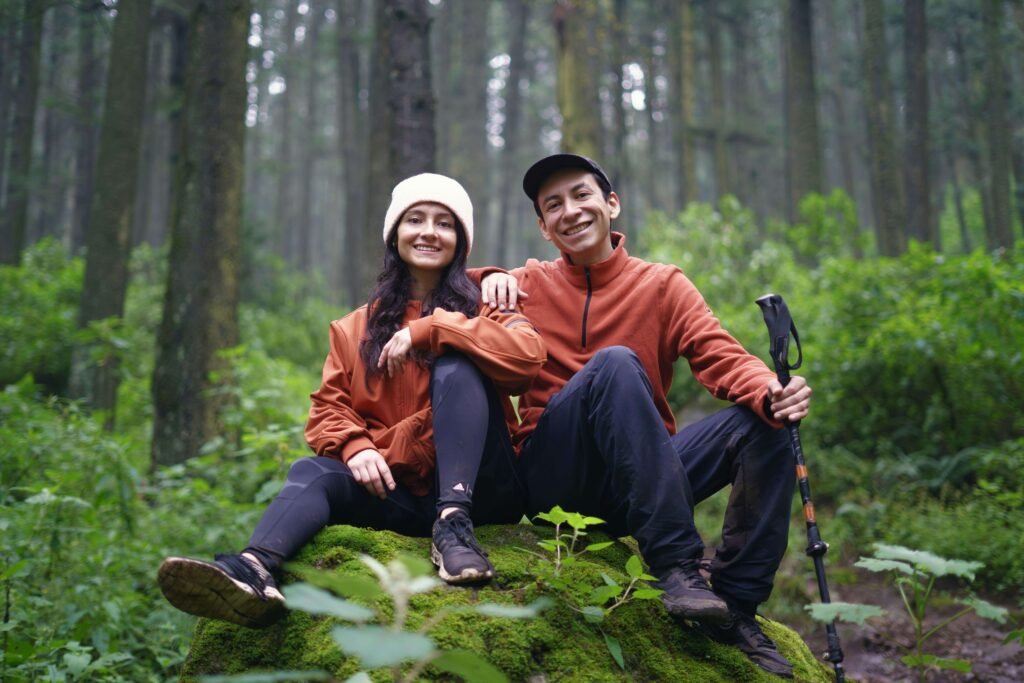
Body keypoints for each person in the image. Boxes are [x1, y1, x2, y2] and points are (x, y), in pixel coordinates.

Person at [158, 173, 546, 628]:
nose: (428, 232)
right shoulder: (353, 329)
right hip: (403, 495)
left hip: (482, 490)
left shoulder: (486, 303)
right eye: (415, 219)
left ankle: (454, 523)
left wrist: (435, 330)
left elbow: (526, 359)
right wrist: (355, 446)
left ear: (460, 240)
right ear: (394, 234)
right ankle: (255, 570)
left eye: (444, 223)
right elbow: (327, 407)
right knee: (312, 470)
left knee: (456, 364)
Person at [479, 154, 811, 678]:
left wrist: (770, 390)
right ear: (543, 229)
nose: (571, 211)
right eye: (554, 206)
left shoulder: (661, 285)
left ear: (611, 203)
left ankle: (738, 605)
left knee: (764, 420)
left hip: (641, 481)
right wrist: (489, 276)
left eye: (582, 195)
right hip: (554, 478)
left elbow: (719, 353)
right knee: (614, 362)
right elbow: (448, 289)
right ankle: (677, 566)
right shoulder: (525, 284)